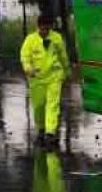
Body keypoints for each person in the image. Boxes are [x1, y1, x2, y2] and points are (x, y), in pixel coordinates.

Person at [20, 16, 71, 147]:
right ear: (38, 26)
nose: (45, 31)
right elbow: (24, 56)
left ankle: (50, 133)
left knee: (52, 105)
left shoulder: (57, 38)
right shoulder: (30, 40)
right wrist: (28, 68)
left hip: (54, 76)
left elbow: (63, 55)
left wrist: (67, 70)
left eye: (48, 28)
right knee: (39, 106)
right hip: (36, 78)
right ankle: (41, 130)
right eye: (43, 28)